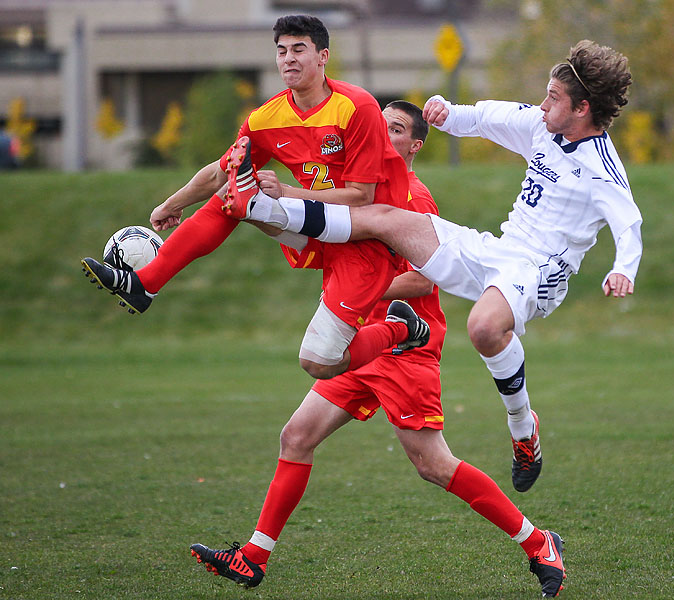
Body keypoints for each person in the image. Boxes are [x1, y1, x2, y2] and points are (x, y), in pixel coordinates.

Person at [220, 40, 643, 493]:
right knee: (386, 219)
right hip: (497, 251)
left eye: (553, 98)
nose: (542, 105)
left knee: (483, 328)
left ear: (581, 108)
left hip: (540, 272)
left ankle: (523, 428)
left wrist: (624, 268)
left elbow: (629, 223)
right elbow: (484, 117)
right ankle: (266, 207)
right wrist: (446, 111)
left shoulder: (602, 170)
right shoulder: (543, 126)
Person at [189, 101, 567, 598]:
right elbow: (312, 246)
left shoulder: (414, 199)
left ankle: (539, 542)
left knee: (433, 465)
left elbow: (418, 279)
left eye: (394, 129)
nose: (379, 134)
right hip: (360, 341)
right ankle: (253, 558)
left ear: (414, 146)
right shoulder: (354, 193)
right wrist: (257, 210)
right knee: (296, 437)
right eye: (376, 125)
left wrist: (363, 290)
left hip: (406, 343)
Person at [80, 15, 428, 380]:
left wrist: (287, 192)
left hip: (369, 240)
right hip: (320, 230)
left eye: (299, 49)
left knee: (319, 362)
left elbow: (362, 198)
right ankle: (145, 283)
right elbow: (219, 170)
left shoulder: (357, 107)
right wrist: (173, 203)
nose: (288, 59)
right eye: (281, 51)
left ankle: (401, 328)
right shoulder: (267, 117)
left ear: (323, 56)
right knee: (236, 189)